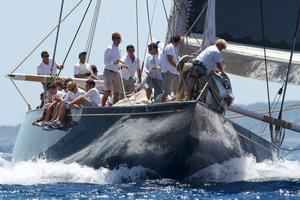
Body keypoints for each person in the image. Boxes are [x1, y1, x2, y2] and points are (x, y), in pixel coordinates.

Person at [102, 32, 127, 106]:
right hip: (108, 72)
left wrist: (123, 65)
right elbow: (106, 62)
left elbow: (118, 62)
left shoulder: (119, 49)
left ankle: (113, 106)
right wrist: (114, 63)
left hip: (116, 72)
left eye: (119, 38)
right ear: (113, 39)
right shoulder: (109, 49)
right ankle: (102, 106)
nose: (118, 40)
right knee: (108, 91)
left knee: (117, 92)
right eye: (116, 38)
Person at [161, 35, 181, 102]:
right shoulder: (169, 47)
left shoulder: (174, 48)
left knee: (177, 90)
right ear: (178, 41)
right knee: (167, 91)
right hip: (169, 72)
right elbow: (170, 59)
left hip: (175, 73)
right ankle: (161, 104)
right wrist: (177, 67)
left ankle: (176, 103)